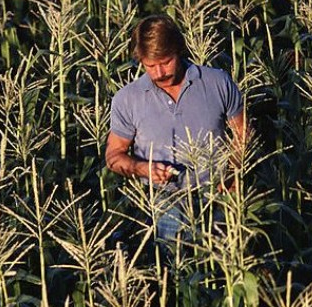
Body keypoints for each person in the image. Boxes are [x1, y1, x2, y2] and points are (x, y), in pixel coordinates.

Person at [105, 14, 247, 250]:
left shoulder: (217, 82)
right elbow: (113, 156)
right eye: (150, 66)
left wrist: (233, 170)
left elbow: (242, 134)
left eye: (166, 61)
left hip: (217, 199)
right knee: (175, 270)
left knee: (222, 273)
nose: (160, 72)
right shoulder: (127, 99)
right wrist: (143, 169)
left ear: (179, 50)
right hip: (164, 201)